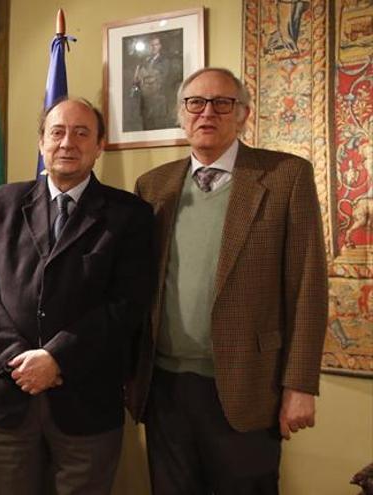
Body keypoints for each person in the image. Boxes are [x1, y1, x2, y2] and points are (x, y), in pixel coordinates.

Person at [127, 67, 328, 494]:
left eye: (223, 103)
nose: (207, 113)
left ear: (244, 115)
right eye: (195, 103)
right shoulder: (153, 186)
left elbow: (308, 288)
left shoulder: (285, 177)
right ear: (182, 115)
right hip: (164, 388)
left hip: (248, 385)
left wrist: (300, 384)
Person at [0, 98, 155, 495]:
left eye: (82, 133)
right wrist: (19, 361)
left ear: (100, 145)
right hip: (9, 397)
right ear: (41, 143)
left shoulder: (130, 215)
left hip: (87, 402)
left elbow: (126, 305)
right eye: (58, 132)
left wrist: (55, 358)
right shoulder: (2, 203)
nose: (68, 142)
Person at [132, 36, 181, 130]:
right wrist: (138, 78)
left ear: (160, 46)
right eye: (152, 45)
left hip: (158, 101)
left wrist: (145, 76)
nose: (154, 47)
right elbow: (137, 79)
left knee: (158, 127)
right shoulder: (144, 62)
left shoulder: (165, 61)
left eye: (156, 44)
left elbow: (160, 78)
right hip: (145, 102)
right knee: (146, 127)